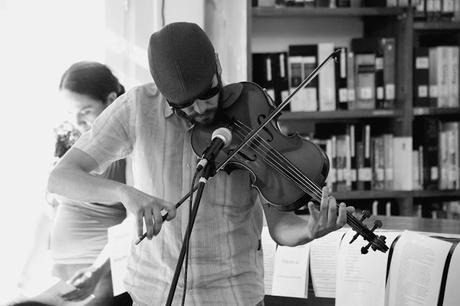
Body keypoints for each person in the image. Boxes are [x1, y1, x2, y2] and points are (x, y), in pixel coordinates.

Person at [47, 22, 354, 305]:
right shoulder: (136, 108)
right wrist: (127, 195)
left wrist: (310, 230)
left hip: (231, 296)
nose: (201, 108)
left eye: (207, 94)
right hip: (153, 294)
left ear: (217, 65)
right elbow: (61, 178)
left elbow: (282, 228)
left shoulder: (252, 111)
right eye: (184, 104)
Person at [48, 62, 131, 305]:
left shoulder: (126, 148)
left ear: (111, 99)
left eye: (86, 110)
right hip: (59, 274)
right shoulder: (68, 141)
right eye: (71, 111)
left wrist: (97, 272)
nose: (78, 120)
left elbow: (135, 220)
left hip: (101, 275)